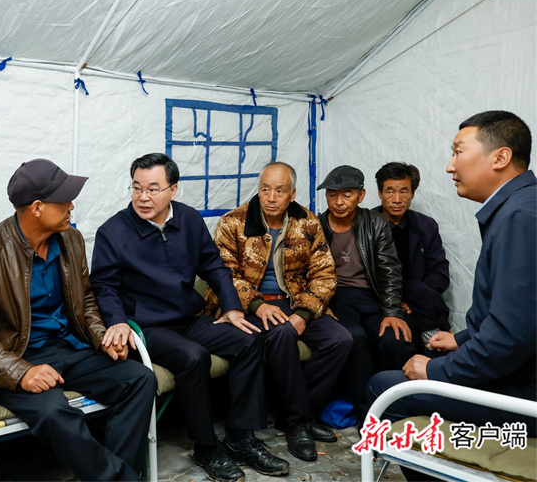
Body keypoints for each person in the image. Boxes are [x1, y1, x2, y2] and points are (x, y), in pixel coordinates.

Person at [0, 158, 157, 482]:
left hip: (68, 346)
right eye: (64, 201)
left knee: (140, 379)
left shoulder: (71, 240)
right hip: (14, 356)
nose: (71, 207)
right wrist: (22, 372)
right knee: (53, 412)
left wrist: (102, 337)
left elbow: (86, 300)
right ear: (37, 208)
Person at [91, 154, 289, 480]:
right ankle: (206, 447)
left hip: (190, 318)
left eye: (153, 189)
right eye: (137, 188)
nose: (143, 197)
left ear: (173, 189)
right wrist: (118, 321)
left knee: (249, 339)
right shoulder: (113, 231)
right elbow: (103, 286)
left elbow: (213, 266)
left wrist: (231, 307)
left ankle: (241, 438)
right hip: (147, 326)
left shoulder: (188, 219)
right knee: (194, 357)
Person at [369, 111, 536, 440]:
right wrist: (461, 339)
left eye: (458, 152)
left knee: (384, 388)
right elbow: (519, 314)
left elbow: (509, 339)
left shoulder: (520, 217)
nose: (450, 166)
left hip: (524, 388)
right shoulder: (520, 205)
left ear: (500, 157)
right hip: (516, 367)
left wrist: (435, 371)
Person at [209, 162, 353, 462]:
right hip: (249, 305)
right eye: (265, 189)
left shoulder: (307, 222)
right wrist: (257, 305)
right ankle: (299, 423)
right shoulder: (233, 222)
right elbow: (222, 275)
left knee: (340, 340)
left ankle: (294, 415)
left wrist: (304, 313)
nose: (271, 197)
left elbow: (325, 274)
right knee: (283, 333)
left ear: (292, 194)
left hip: (295, 301)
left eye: (279, 191)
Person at [317, 165, 415, 421]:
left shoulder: (376, 223)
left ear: (361, 195)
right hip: (334, 298)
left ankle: (396, 411)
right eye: (332, 195)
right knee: (355, 338)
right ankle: (367, 417)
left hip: (370, 297)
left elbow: (390, 270)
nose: (339, 202)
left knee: (395, 339)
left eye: (347, 194)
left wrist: (391, 311)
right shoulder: (315, 226)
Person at [373, 162, 451, 352]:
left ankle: (434, 336)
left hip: (419, 301)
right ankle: (437, 329)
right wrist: (394, 300)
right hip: (381, 299)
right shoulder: (367, 225)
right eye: (390, 191)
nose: (397, 199)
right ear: (380, 193)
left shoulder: (425, 225)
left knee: (416, 288)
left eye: (404, 191)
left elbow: (439, 272)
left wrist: (413, 300)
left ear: (413, 194)